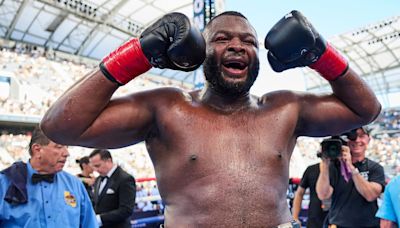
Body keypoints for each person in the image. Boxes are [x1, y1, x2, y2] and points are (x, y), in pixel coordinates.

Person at [40, 10, 381, 227]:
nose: (237, 46)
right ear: (198, 51)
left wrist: (320, 56)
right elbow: (60, 126)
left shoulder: (284, 109)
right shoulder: (167, 107)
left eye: (248, 41)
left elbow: (366, 110)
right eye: (222, 39)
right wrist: (139, 54)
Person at [0, 126, 98, 227]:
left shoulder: (75, 185)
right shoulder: (6, 182)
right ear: (37, 150)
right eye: (59, 147)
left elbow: (90, 224)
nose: (66, 153)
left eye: (66, 147)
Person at [316, 127, 385, 228]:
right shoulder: (334, 167)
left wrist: (351, 168)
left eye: (361, 136)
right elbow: (323, 195)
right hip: (338, 225)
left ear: (368, 139)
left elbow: (371, 195)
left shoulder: (375, 168)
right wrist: (325, 164)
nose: (357, 140)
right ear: (346, 141)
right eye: (352, 137)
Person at [89, 149, 136, 228]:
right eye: (94, 167)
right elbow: (97, 203)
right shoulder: (98, 179)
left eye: (98, 165)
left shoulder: (125, 179)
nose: (96, 170)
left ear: (108, 161)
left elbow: (126, 210)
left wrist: (100, 219)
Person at [292, 161, 329, 228]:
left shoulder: (341, 170)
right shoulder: (311, 170)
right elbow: (299, 193)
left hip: (335, 219)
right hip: (314, 220)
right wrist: (295, 217)